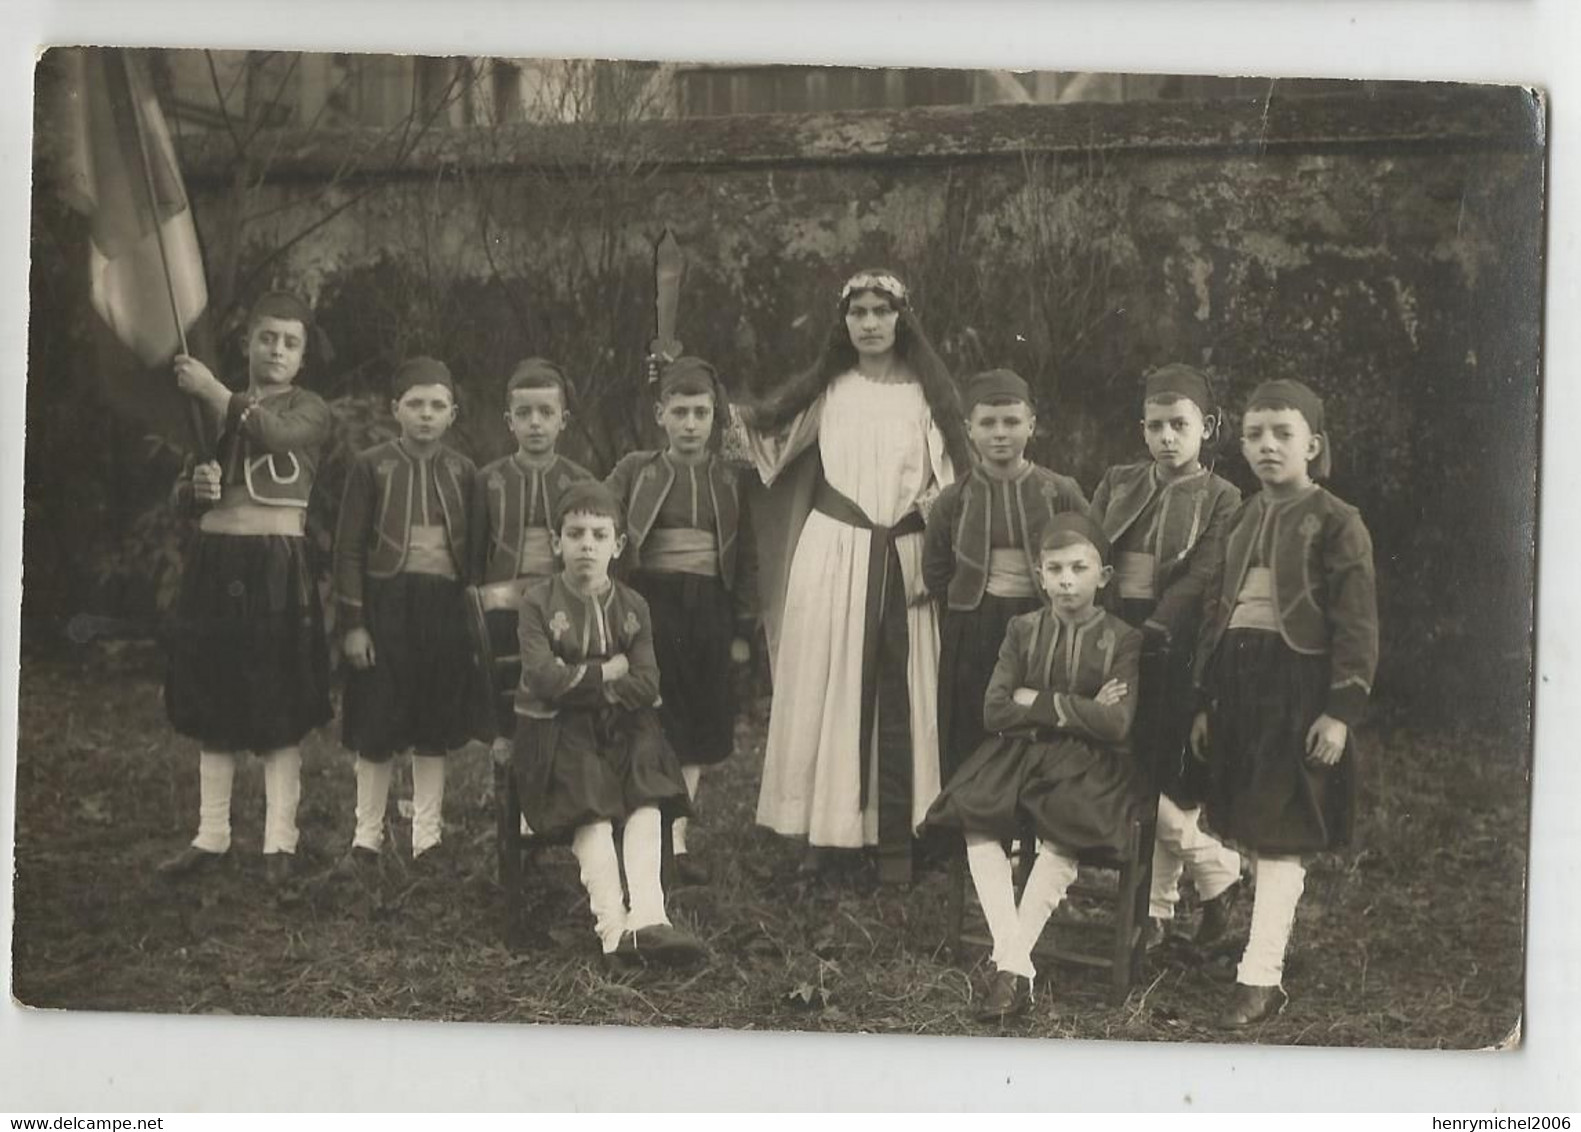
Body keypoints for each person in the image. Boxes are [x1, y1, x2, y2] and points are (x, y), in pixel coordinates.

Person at [733, 268, 972, 885]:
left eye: (881, 311)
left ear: (902, 317)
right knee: (828, 682)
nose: (869, 323)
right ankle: (827, 830)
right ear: (843, 322)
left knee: (907, 687)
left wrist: (926, 521)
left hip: (903, 555)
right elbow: (757, 441)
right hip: (834, 554)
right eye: (858, 312)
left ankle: (902, 830)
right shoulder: (827, 391)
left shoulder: (928, 395)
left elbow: (956, 479)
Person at [1190, 379, 1378, 1028]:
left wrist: (1340, 711)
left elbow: (1356, 626)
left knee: (1280, 832)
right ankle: (1234, 933)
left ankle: (1260, 976)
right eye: (1253, 435)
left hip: (1295, 691)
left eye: (1282, 435)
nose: (1266, 447)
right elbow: (1217, 610)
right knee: (1246, 817)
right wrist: (1204, 700)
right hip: (1238, 686)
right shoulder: (1241, 515)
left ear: (1312, 445)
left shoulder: (1335, 521)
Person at [923, 513, 1143, 1021]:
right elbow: (994, 709)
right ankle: (1016, 964)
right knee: (976, 822)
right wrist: (1078, 705)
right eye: (1055, 568)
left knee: (1064, 831)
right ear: (1039, 575)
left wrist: (1038, 700)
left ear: (1103, 576)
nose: (1067, 580)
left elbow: (1116, 724)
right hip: (1017, 752)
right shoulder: (1021, 629)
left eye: (1079, 568)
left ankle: (1009, 969)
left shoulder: (1122, 638)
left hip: (1088, 763)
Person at [158, 291, 335, 887]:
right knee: (215, 695)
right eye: (267, 338)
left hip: (277, 565)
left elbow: (278, 437)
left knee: (279, 703)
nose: (277, 350)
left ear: (303, 356)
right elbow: (181, 493)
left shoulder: (310, 409)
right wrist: (196, 491)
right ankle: (211, 835)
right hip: (216, 561)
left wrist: (213, 389)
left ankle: (279, 844)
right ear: (248, 344)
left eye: (290, 342)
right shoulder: (210, 410)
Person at [513, 481, 703, 965]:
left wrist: (583, 681)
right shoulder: (537, 602)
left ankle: (650, 918)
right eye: (575, 534)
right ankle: (614, 932)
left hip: (620, 728)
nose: (586, 546)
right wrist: (605, 672)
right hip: (554, 733)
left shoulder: (632, 606)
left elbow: (647, 682)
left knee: (646, 781)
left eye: (599, 535)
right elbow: (541, 678)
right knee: (589, 797)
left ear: (617, 545)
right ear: (556, 542)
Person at [1089, 363, 1244, 950]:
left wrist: (1151, 630)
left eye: (1180, 424)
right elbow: (1094, 546)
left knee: (1167, 777)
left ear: (1208, 426)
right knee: (1125, 767)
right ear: (1142, 429)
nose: (1167, 437)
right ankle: (1211, 873)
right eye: (1155, 426)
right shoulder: (1119, 481)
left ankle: (1154, 912)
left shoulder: (1223, 497)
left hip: (1176, 647)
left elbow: (1202, 576)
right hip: (1112, 634)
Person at [606, 357, 757, 887]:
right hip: (651, 604)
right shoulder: (636, 470)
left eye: (701, 412)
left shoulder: (731, 479)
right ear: (659, 414)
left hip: (709, 609)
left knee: (698, 719)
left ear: (716, 417)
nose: (691, 423)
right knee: (652, 715)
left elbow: (748, 558)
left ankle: (677, 838)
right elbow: (602, 525)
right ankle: (638, 826)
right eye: (680, 411)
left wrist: (741, 629)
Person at [330, 357, 478, 874]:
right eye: (415, 403)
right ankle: (366, 838)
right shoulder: (371, 466)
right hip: (386, 606)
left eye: (437, 405)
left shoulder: (463, 471)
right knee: (376, 723)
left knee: (431, 724)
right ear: (396, 409)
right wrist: (354, 624)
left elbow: (473, 553)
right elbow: (347, 550)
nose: (425, 414)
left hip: (441, 610)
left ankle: (427, 840)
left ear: (452, 413)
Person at [922, 368, 1088, 784]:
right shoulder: (953, 499)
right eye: (988, 423)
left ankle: (1033, 837)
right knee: (973, 732)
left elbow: (1091, 549)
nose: (1000, 433)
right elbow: (936, 570)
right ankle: (976, 840)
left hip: (1043, 628)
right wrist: (964, 615)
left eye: (1012, 422)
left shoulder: (1059, 490)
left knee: (1037, 730)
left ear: (1031, 424)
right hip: (974, 630)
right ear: (968, 429)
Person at [469, 358, 595, 757]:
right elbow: (474, 555)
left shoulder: (579, 480)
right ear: (509, 422)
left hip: (565, 607)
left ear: (564, 420)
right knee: (512, 704)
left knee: (561, 696)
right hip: (504, 611)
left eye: (546, 412)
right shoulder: (488, 480)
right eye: (524, 413)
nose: (535, 423)